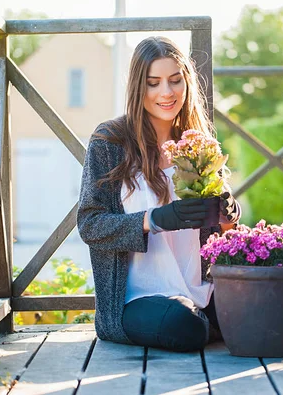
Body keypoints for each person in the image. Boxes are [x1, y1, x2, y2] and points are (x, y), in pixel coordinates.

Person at [77, 36, 241, 352]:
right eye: (154, 83)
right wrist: (156, 219)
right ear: (139, 88)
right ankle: (210, 326)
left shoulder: (197, 143)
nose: (166, 92)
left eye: (175, 80)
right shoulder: (110, 142)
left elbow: (221, 233)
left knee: (262, 306)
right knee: (185, 325)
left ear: (187, 83)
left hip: (199, 289)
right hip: (136, 298)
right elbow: (90, 225)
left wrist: (228, 216)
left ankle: (210, 323)